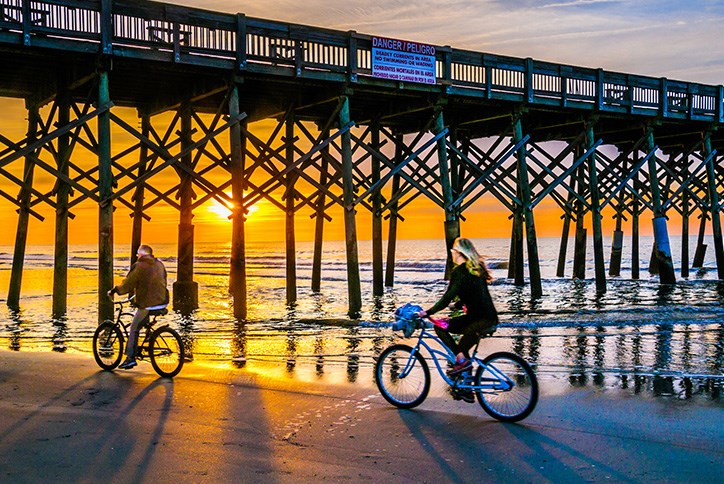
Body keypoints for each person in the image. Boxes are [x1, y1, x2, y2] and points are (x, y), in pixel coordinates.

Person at [418, 237, 498, 376]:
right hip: (488, 318)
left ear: (459, 252)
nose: (452, 253)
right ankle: (466, 388)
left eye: (453, 250)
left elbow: (447, 297)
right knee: (463, 350)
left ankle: (462, 362)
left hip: (477, 321)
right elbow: (475, 294)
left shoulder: (459, 272)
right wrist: (460, 304)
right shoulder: (475, 270)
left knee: (440, 327)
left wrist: (428, 312)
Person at [108, 244, 169, 369]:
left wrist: (115, 290)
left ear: (141, 254)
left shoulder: (140, 266)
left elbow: (128, 285)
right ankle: (150, 337)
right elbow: (161, 281)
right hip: (162, 302)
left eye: (138, 254)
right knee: (143, 321)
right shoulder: (160, 264)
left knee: (134, 328)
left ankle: (130, 358)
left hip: (149, 304)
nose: (137, 256)